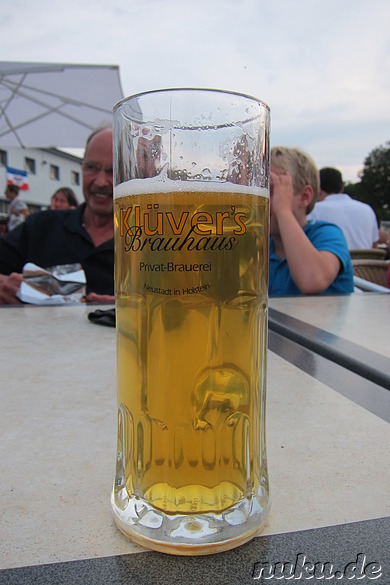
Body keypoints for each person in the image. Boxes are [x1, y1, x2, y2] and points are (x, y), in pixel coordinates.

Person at [0, 127, 114, 304]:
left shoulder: (152, 243)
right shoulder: (41, 226)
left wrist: (135, 307)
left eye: (113, 171)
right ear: (81, 168)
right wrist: (3, 286)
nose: (100, 182)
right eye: (92, 167)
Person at [269, 147, 354, 297]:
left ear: (304, 197)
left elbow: (312, 280)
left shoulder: (327, 233)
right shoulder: (263, 247)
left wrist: (283, 210)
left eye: (272, 190)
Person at [308, 167, 379, 249]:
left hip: (332, 260)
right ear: (342, 188)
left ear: (317, 190)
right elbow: (374, 246)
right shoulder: (367, 210)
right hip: (366, 261)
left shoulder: (314, 210)